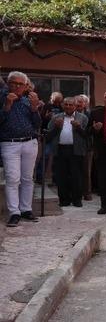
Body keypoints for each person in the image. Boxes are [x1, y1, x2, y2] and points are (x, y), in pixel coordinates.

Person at [1, 72, 42, 227]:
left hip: (29, 143)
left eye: (21, 84)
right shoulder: (2, 98)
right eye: (14, 83)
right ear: (8, 83)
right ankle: (14, 212)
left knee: (27, 178)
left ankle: (26, 209)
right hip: (9, 143)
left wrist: (34, 108)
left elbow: (37, 124)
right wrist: (7, 106)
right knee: (12, 179)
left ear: (26, 86)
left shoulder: (27, 100)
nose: (17, 86)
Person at [46, 97, 89, 207]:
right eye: (66, 104)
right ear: (62, 105)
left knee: (76, 176)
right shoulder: (56, 117)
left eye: (71, 105)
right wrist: (56, 127)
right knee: (61, 176)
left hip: (76, 151)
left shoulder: (83, 118)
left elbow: (87, 136)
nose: (68, 107)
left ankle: (77, 200)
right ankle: (64, 199)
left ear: (75, 106)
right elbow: (48, 137)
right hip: (60, 150)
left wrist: (79, 128)